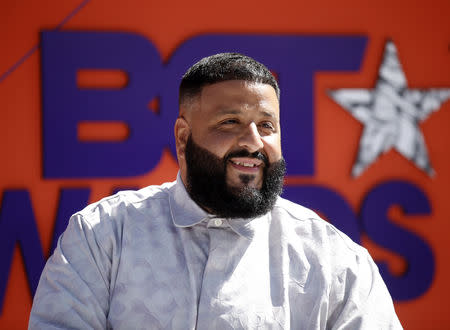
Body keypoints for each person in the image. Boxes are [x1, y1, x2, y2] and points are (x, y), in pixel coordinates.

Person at [29, 53, 402, 329]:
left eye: (267, 126)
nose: (253, 142)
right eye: (231, 122)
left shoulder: (336, 262)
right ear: (182, 138)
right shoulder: (103, 235)